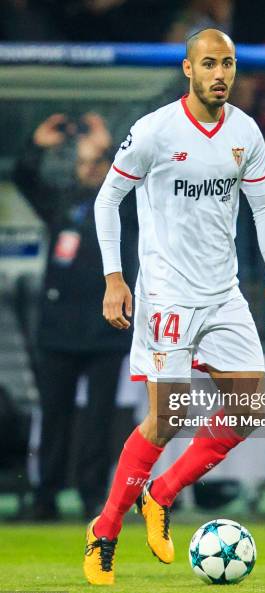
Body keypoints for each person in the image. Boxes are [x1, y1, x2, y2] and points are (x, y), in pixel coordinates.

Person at [84, 28, 265, 585]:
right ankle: (104, 531)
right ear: (188, 69)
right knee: (169, 417)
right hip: (167, 292)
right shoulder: (155, 131)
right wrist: (114, 277)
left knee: (250, 410)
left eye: (227, 63)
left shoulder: (245, 132)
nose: (220, 73)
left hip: (223, 291)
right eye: (209, 64)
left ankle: (162, 494)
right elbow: (109, 199)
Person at [14, 113, 137, 520]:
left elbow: (140, 175)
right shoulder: (64, 202)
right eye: (83, 163)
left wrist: (111, 145)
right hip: (59, 329)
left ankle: (91, 496)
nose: (87, 170)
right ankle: (45, 495)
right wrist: (37, 145)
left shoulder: (125, 205)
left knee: (99, 420)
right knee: (54, 417)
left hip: (107, 326)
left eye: (95, 163)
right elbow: (25, 178)